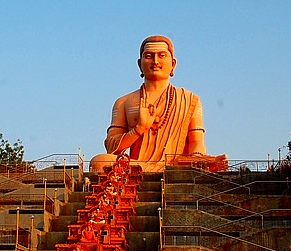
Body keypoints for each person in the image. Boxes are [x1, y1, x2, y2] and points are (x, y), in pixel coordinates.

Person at [90, 35, 226, 172]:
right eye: (149, 56)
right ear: (139, 63)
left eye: (161, 55)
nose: (155, 61)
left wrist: (197, 159)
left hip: (175, 166)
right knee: (100, 161)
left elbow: (196, 142)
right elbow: (112, 147)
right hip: (138, 165)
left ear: (173, 64)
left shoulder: (190, 99)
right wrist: (139, 129)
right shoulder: (123, 102)